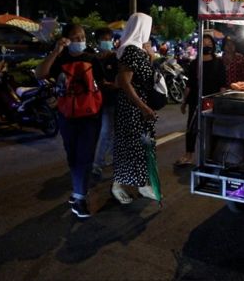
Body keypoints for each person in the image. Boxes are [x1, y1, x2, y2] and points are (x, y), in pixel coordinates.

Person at [35, 23, 105, 218]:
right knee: (73, 157)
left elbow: (103, 84)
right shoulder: (60, 59)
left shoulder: (92, 58)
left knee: (85, 156)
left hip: (91, 116)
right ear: (65, 40)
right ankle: (78, 191)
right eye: (75, 38)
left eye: (82, 37)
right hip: (67, 116)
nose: (80, 41)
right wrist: (56, 51)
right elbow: (40, 73)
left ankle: (80, 198)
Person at [111, 12, 159, 204]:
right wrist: (142, 107)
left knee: (140, 146)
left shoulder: (135, 49)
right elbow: (124, 82)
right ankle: (119, 186)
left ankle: (142, 184)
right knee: (132, 147)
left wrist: (151, 57)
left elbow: (143, 76)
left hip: (136, 107)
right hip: (132, 109)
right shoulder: (130, 49)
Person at [176, 34, 227, 166]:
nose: (207, 46)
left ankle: (211, 156)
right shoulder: (195, 63)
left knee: (211, 129)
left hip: (212, 101)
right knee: (192, 128)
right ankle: (188, 155)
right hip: (195, 100)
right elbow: (189, 85)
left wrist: (221, 102)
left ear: (213, 46)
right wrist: (183, 101)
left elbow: (223, 84)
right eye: (204, 44)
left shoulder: (218, 63)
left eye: (209, 44)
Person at [90, 27, 119, 180]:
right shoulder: (96, 60)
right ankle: (97, 163)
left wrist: (113, 84)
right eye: (104, 39)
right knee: (106, 131)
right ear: (98, 41)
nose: (106, 42)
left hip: (117, 100)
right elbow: (100, 81)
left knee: (114, 131)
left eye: (109, 39)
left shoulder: (116, 57)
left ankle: (113, 159)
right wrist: (111, 84)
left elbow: (118, 80)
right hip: (103, 101)